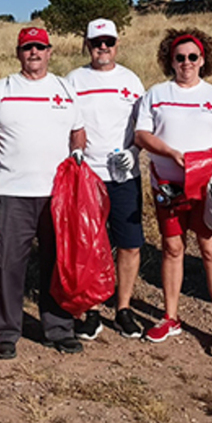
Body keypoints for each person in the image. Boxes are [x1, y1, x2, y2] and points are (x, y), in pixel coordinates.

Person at [0, 26, 87, 360]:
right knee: (8, 264)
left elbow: (78, 132)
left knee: (56, 264)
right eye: (27, 48)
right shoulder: (3, 88)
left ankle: (59, 329)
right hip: (12, 193)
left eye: (39, 47)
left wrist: (78, 152)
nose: (34, 53)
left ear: (50, 51)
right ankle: (6, 331)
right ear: (18, 53)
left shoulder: (64, 88)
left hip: (57, 195)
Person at [134, 28, 212, 357]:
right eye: (180, 58)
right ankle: (170, 317)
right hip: (168, 187)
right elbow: (141, 134)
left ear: (203, 60)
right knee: (172, 248)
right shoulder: (156, 94)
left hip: (206, 186)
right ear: (170, 60)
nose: (186, 63)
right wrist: (169, 152)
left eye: (193, 57)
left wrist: (207, 159)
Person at [65, 18, 146, 340]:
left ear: (116, 45)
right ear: (87, 44)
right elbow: (66, 123)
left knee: (129, 243)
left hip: (124, 175)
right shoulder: (73, 80)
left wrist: (134, 151)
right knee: (90, 244)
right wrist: (72, 153)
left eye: (108, 42)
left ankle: (123, 308)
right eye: (97, 42)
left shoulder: (131, 80)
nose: (103, 48)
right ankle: (92, 307)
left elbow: (145, 126)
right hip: (87, 175)